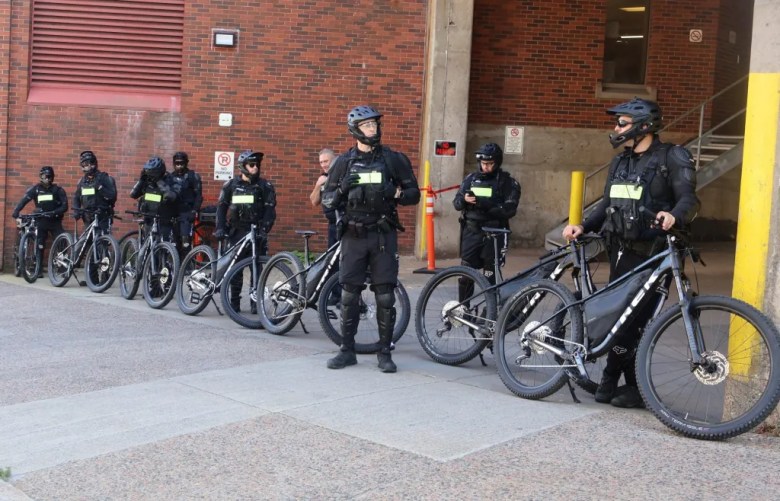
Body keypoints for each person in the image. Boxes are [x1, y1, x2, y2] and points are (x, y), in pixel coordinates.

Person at [562, 97, 699, 408]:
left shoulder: (673, 157)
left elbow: (689, 200)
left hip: (654, 254)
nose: (615, 128)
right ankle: (617, 382)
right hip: (621, 253)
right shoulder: (621, 162)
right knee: (620, 319)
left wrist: (674, 215)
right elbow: (608, 204)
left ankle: (620, 381)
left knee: (637, 321)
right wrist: (582, 225)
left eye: (621, 122)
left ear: (643, 126)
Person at [321, 105, 420, 373]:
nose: (372, 130)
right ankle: (346, 350)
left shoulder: (392, 159)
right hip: (353, 235)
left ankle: (384, 353)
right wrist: (342, 188)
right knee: (349, 294)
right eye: (367, 126)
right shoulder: (343, 162)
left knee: (385, 295)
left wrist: (395, 192)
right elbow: (327, 201)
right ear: (355, 129)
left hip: (382, 235)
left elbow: (414, 195)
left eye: (374, 125)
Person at [214, 149, 276, 312]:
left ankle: (256, 303)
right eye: (252, 164)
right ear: (242, 166)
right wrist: (220, 228)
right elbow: (221, 207)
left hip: (256, 232)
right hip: (237, 231)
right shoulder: (231, 185)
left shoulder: (265, 186)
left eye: (257, 164)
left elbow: (270, 210)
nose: (255, 167)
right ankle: (234, 303)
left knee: (256, 268)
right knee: (235, 269)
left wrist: (265, 229)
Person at [453, 143, 520, 291]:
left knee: (490, 276)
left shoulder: (507, 182)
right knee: (465, 275)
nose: (486, 167)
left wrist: (485, 204)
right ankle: (464, 310)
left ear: (497, 162)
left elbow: (509, 210)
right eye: (483, 164)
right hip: (471, 232)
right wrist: (464, 200)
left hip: (495, 233)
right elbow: (456, 203)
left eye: (489, 164)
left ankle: (490, 310)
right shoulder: (471, 179)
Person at [12, 166, 69, 275]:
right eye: (44, 176)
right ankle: (38, 269)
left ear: (52, 177)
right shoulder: (36, 189)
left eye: (48, 176)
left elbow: (64, 206)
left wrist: (54, 212)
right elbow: (24, 200)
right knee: (40, 243)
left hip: (54, 221)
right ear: (40, 177)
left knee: (62, 240)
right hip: (41, 221)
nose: (46, 178)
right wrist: (16, 212)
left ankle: (61, 266)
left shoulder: (58, 190)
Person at [130, 156, 178, 241]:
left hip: (164, 220)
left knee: (162, 247)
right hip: (149, 219)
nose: (150, 175)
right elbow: (133, 195)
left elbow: (171, 196)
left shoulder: (170, 180)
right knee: (148, 245)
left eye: (152, 172)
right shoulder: (147, 182)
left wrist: (159, 181)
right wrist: (141, 180)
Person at [72, 150, 117, 234]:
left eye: (91, 163)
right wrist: (76, 211)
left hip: (102, 217)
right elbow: (76, 197)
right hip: (88, 218)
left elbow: (112, 196)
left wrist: (100, 188)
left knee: (101, 244)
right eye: (85, 165)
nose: (89, 166)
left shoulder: (104, 178)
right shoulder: (82, 182)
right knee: (83, 244)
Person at [169, 151, 203, 256]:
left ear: (186, 163)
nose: (179, 166)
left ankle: (187, 265)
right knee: (174, 241)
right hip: (174, 211)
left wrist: (195, 210)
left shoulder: (193, 176)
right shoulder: (170, 177)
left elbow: (198, 195)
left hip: (187, 211)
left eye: (181, 164)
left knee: (185, 240)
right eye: (177, 164)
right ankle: (175, 264)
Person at [309, 148, 338, 247]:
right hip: (332, 224)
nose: (323, 165)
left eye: (326, 161)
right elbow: (314, 201)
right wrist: (318, 185)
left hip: (344, 222)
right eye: (321, 162)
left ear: (334, 160)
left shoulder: (342, 175)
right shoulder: (323, 178)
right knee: (332, 257)